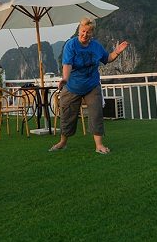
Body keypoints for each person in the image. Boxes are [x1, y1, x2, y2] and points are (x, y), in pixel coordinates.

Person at [49, 17, 128, 155]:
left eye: (88, 32)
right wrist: (65, 79)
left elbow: (107, 58)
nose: (85, 34)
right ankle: (63, 142)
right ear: (79, 30)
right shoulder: (71, 45)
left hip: (92, 85)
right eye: (83, 31)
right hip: (72, 85)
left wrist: (117, 52)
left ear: (92, 33)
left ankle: (99, 145)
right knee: (67, 114)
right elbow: (67, 64)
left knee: (96, 113)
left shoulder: (96, 46)